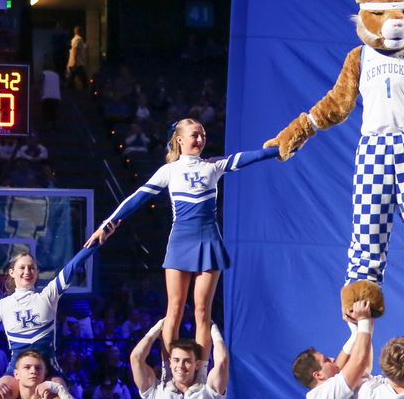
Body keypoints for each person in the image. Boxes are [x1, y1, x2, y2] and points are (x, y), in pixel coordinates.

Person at [87, 119, 278, 362]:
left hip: (209, 240)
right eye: (195, 135)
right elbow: (137, 198)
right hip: (180, 241)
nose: (200, 140)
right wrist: (108, 224)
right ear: (180, 140)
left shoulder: (214, 165)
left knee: (201, 311)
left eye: (203, 135)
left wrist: (282, 146)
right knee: (174, 309)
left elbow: (252, 157)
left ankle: (199, 369)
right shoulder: (169, 171)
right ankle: (169, 368)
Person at [0, 245, 97, 390]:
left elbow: (73, 265)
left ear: (37, 273)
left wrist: (97, 238)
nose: (27, 271)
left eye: (31, 268)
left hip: (48, 369)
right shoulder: (2, 305)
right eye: (22, 267)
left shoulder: (48, 295)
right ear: (11, 273)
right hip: (16, 370)